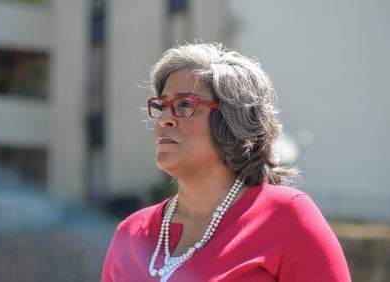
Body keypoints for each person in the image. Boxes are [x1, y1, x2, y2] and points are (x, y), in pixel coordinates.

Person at [101, 43, 351, 281]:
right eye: (162, 105)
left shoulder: (286, 217)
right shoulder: (130, 232)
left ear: (232, 119)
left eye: (185, 104)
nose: (165, 118)